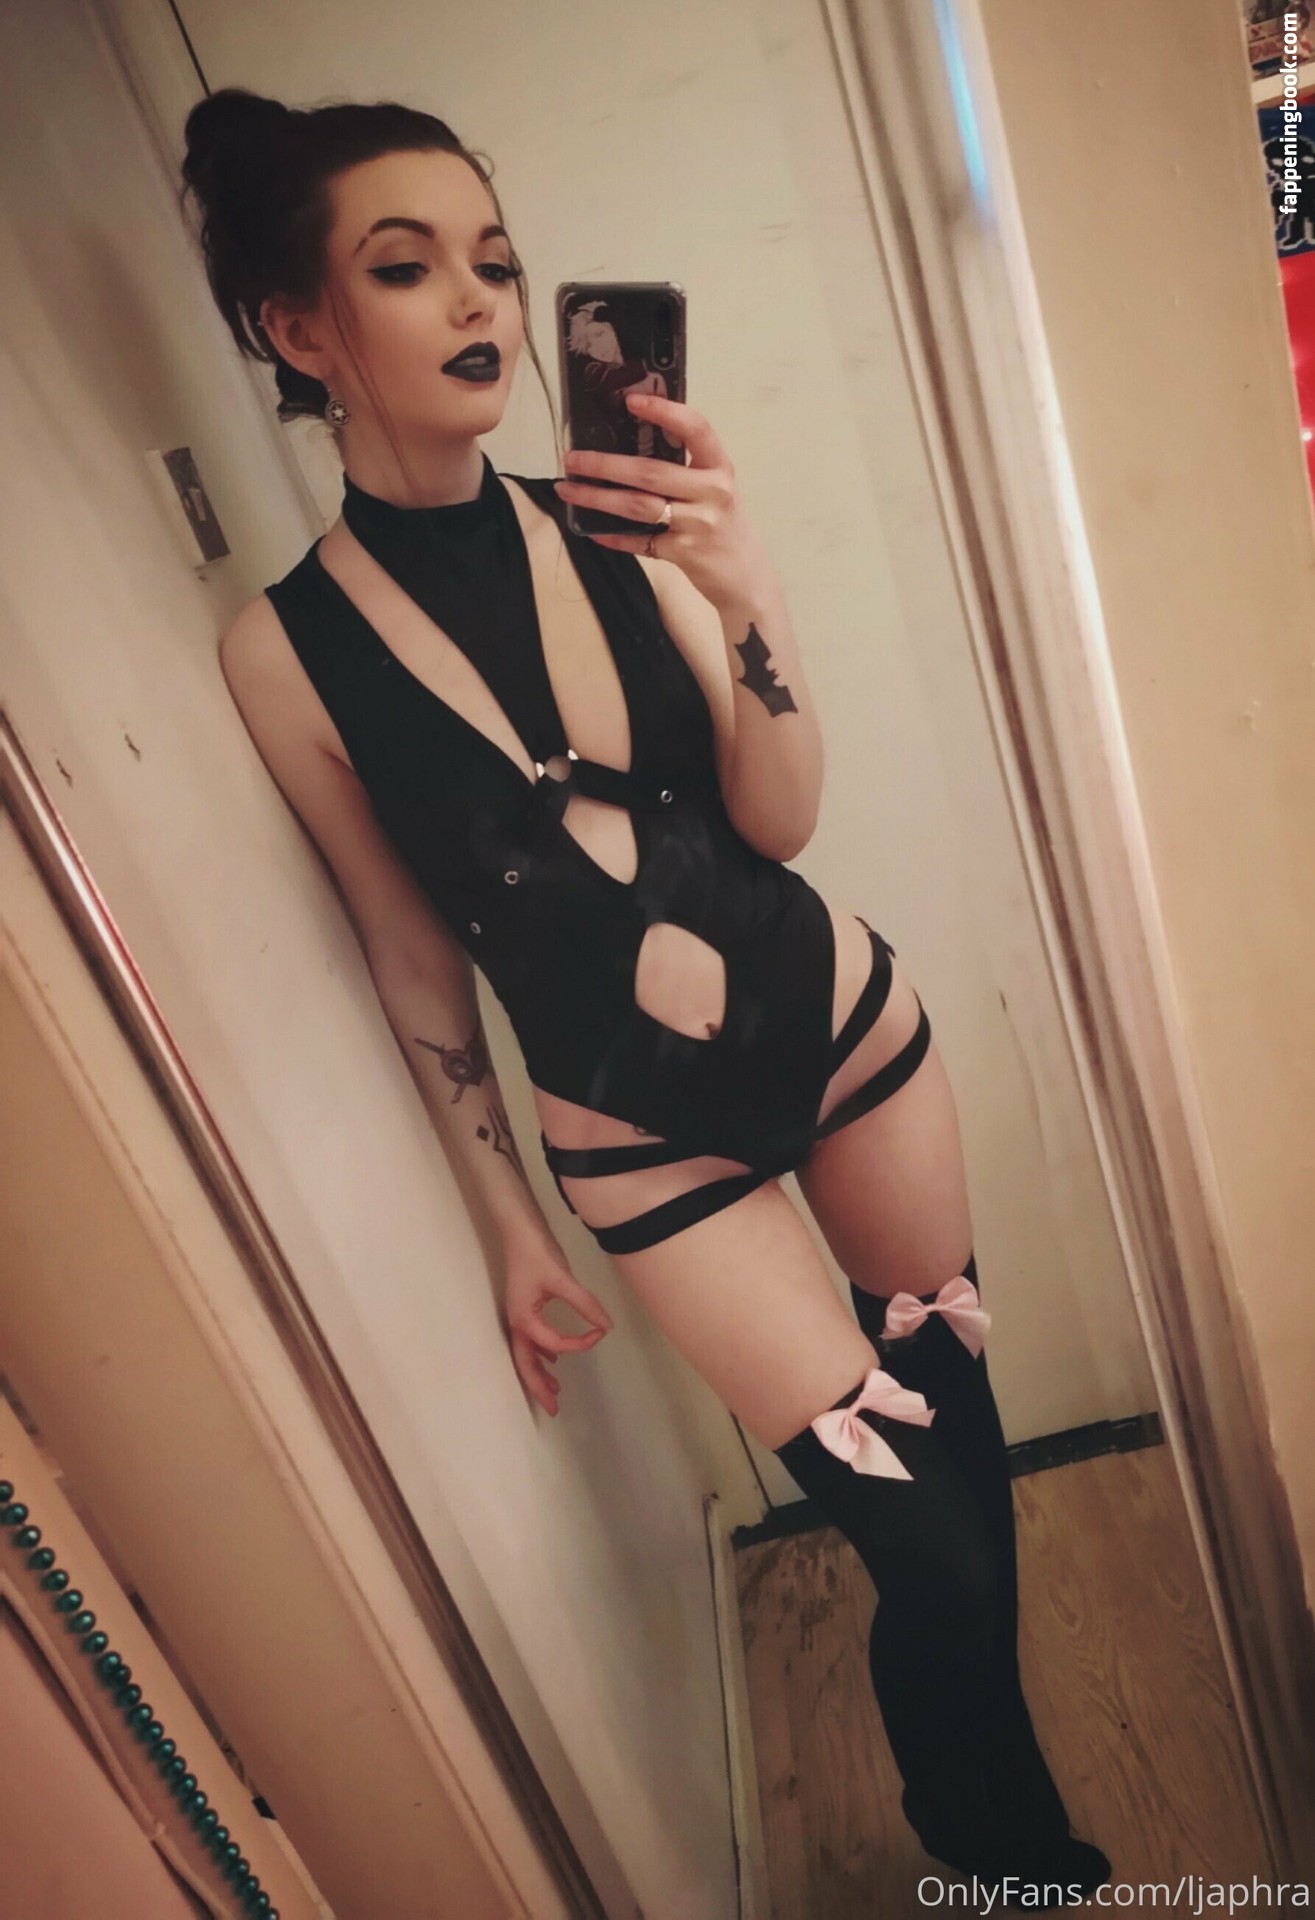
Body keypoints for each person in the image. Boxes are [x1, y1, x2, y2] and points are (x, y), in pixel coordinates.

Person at [184, 85, 1112, 1904]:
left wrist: (745, 591)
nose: (481, 302)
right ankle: (1003, 1852)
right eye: (407, 267)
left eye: (497, 261)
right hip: (639, 1142)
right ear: (301, 333)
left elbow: (780, 815)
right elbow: (410, 953)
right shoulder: (279, 652)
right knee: (921, 1543)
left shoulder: (617, 525)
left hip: (845, 1035)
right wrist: (504, 1223)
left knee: (961, 1451)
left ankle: (1005, 1857)